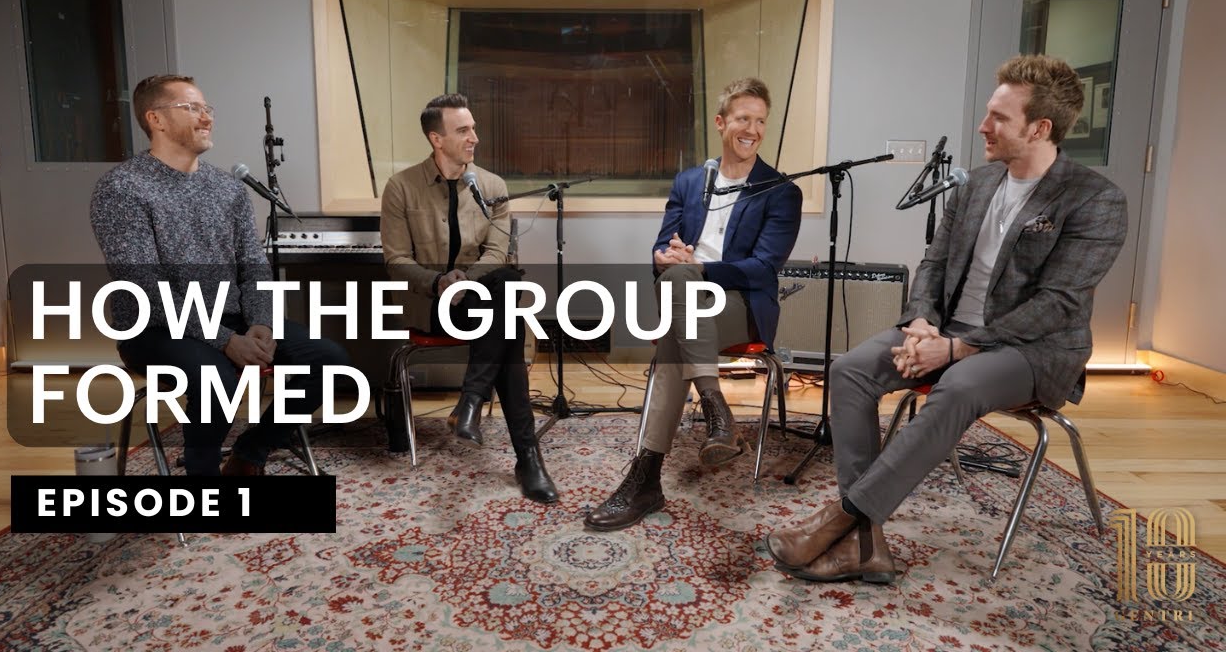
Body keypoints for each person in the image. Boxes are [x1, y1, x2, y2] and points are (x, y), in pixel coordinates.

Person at [764, 55, 1128, 584]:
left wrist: (959, 349)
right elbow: (933, 264)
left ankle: (842, 519)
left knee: (957, 385)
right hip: (947, 332)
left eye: (999, 117)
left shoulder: (1096, 199)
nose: (983, 126)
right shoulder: (976, 185)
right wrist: (922, 324)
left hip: (1033, 350)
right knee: (850, 370)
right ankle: (867, 545)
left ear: (1039, 128)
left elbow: (1059, 303)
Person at [90, 74, 350, 476]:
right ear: (155, 119)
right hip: (156, 329)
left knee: (329, 361)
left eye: (206, 108)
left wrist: (261, 323)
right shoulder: (122, 189)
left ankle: (250, 453)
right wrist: (225, 340)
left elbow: (253, 265)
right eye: (191, 108)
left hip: (233, 318)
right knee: (216, 377)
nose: (206, 117)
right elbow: (147, 288)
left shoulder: (228, 188)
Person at [585, 77, 801, 531]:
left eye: (761, 121)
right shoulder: (689, 182)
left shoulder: (781, 190)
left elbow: (763, 269)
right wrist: (663, 257)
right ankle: (716, 411)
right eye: (743, 119)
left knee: (674, 327)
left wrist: (698, 268)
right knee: (678, 287)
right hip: (685, 298)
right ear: (721, 123)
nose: (753, 130)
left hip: (742, 307)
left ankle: (646, 478)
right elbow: (663, 246)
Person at [379, 93, 558, 504]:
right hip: (432, 306)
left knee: (506, 282)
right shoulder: (401, 187)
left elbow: (496, 253)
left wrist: (466, 282)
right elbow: (397, 260)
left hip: (480, 301)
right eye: (463, 130)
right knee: (508, 318)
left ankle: (473, 403)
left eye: (473, 128)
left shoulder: (492, 186)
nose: (474, 137)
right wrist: (440, 282)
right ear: (436, 139)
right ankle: (525, 455)